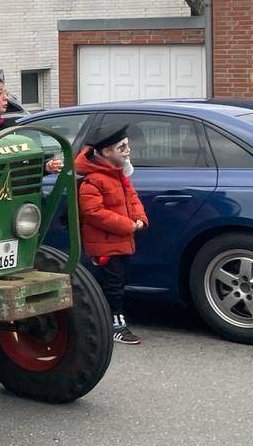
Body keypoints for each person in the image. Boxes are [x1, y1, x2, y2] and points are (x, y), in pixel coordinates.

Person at [74, 122, 148, 345]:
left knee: (118, 282)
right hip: (105, 245)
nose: (128, 151)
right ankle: (115, 325)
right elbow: (93, 213)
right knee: (112, 286)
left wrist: (140, 218)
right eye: (122, 148)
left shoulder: (118, 175)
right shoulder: (93, 180)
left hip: (121, 241)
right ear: (106, 152)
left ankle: (113, 320)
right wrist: (127, 225)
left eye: (127, 145)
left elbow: (132, 198)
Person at [0, 62, 62, 173]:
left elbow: (19, 165)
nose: (5, 98)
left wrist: (46, 167)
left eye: (5, 93)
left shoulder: (9, 126)